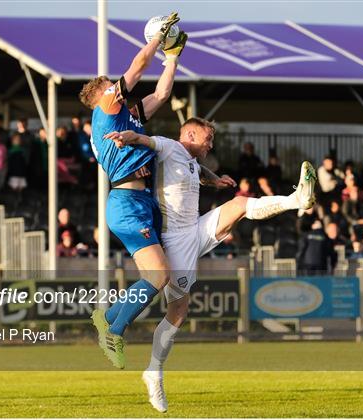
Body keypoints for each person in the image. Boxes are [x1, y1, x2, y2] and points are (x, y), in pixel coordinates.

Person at [103, 117, 317, 412]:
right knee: (178, 312)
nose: (211, 144)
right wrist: (124, 137)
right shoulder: (167, 146)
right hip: (175, 240)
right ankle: (153, 371)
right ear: (190, 133)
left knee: (240, 204)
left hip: (195, 228)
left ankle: (297, 199)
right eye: (208, 138)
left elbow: (195, 170)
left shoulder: (190, 160)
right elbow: (144, 140)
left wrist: (213, 178)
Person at [79, 12, 187, 369]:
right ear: (102, 95)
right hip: (126, 202)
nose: (119, 89)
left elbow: (162, 92)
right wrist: (157, 37)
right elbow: (139, 66)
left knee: (157, 276)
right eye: (113, 86)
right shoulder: (106, 111)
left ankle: (107, 318)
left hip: (138, 201)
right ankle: (114, 330)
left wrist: (172, 56)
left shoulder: (128, 116)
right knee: (159, 276)